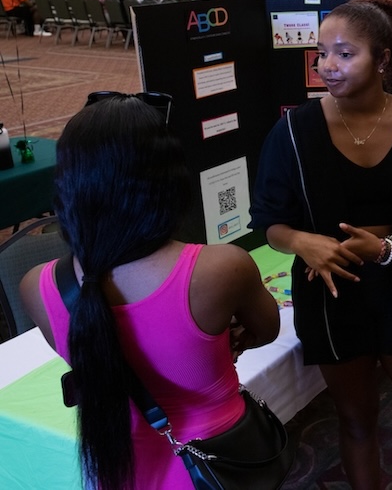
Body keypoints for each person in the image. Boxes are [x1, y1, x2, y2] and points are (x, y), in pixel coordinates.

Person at [250, 0, 392, 489]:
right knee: (356, 423)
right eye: (321, 53)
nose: (328, 66)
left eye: (345, 54)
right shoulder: (292, 131)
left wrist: (388, 248)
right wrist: (303, 241)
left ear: (384, 58)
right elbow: (268, 220)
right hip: (332, 301)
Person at [20, 93, 281, 490]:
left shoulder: (36, 286)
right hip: (217, 466)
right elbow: (268, 329)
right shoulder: (221, 268)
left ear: (69, 184)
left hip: (115, 469)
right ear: (168, 179)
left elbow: (99, 349)